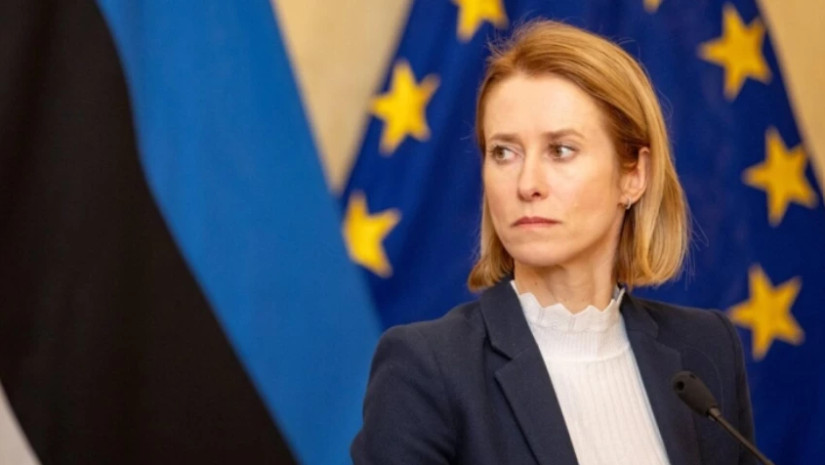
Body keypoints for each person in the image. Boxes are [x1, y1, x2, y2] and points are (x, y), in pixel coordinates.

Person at [351, 20, 754, 465]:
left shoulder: (706, 348)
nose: (527, 184)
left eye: (560, 150)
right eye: (504, 152)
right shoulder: (427, 369)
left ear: (633, 176)